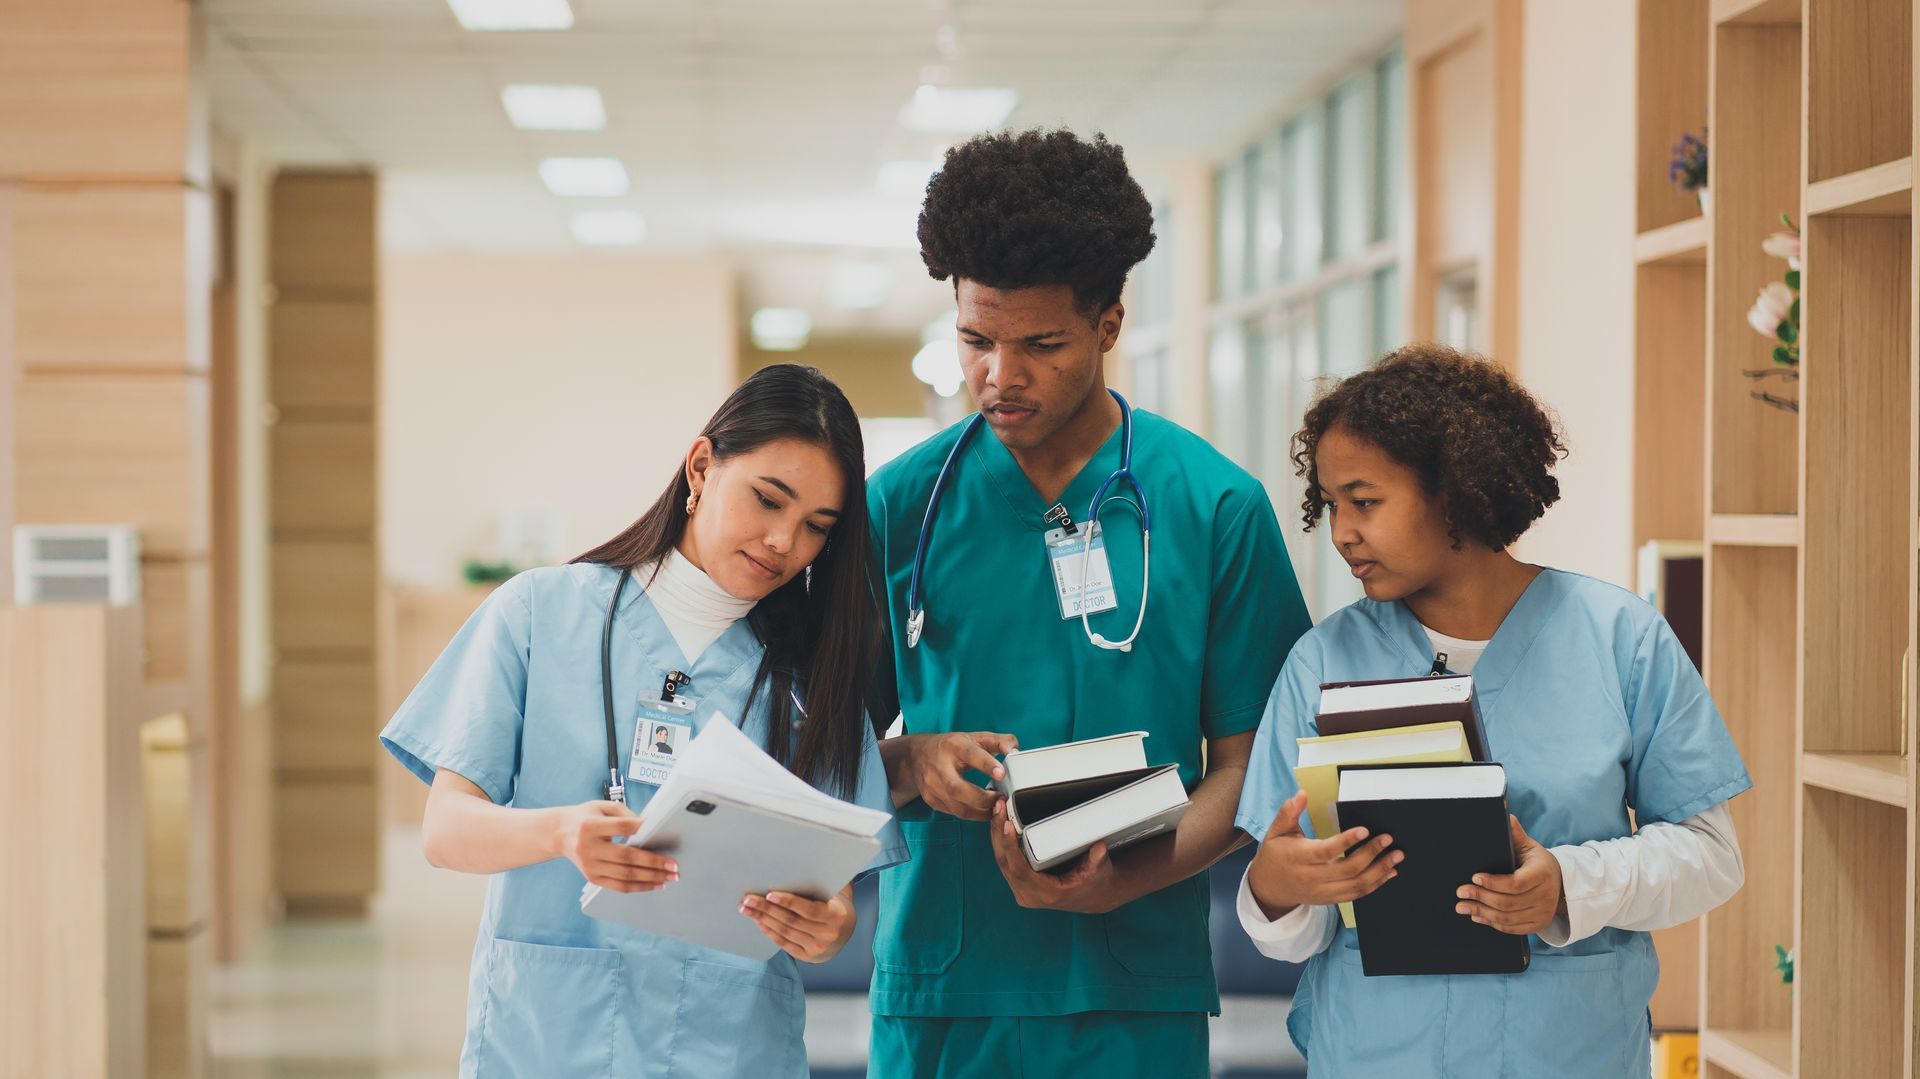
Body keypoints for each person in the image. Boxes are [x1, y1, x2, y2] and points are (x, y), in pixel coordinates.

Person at [865, 128, 1313, 1077]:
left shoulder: (1213, 507)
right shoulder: (899, 506)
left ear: (1109, 325)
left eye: (1041, 345)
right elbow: (815, 747)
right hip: (946, 988)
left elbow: (1257, 759)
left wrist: (1124, 883)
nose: (999, 377)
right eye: (975, 340)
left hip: (1131, 992)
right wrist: (910, 759)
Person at [1235, 344, 1749, 1077]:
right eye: (1332, 502)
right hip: (1378, 1053)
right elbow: (1295, 933)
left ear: (1455, 490)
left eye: (1366, 500)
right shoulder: (1322, 663)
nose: (1341, 529)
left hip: (1569, 1051)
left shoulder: (1619, 639)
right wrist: (1277, 886)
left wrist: (1568, 884)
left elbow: (1712, 857)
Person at [379, 364, 907, 1077]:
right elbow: (445, 831)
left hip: (732, 1049)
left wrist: (827, 927)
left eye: (817, 526)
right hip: (544, 1043)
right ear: (700, 467)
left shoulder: (815, 678)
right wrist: (560, 832)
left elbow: (834, 895)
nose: (784, 541)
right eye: (768, 499)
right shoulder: (539, 613)